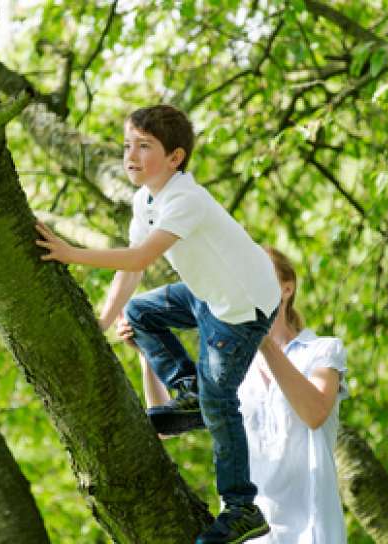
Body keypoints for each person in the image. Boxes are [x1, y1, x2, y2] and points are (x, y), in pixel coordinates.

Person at [36, 104, 281, 544]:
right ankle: (187, 391)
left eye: (144, 146)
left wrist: (71, 253)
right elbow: (129, 275)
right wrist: (100, 324)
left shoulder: (185, 199)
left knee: (220, 403)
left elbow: (139, 258)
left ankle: (243, 507)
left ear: (176, 157)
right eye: (128, 144)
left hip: (242, 311)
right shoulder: (144, 198)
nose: (131, 155)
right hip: (211, 297)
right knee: (141, 312)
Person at [119, 246, 349, 543]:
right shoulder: (227, 362)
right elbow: (166, 426)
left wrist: (263, 342)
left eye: (259, 278)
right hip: (253, 535)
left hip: (313, 529)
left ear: (286, 289)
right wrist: (147, 356)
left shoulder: (321, 351)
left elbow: (315, 413)